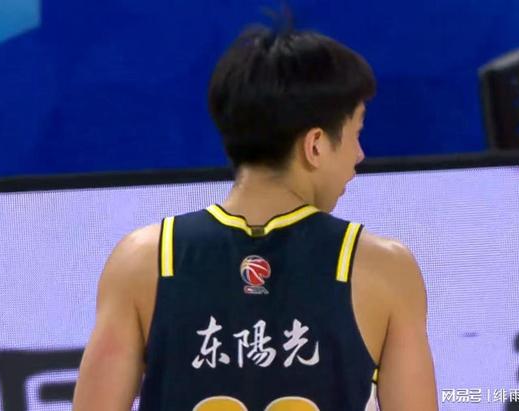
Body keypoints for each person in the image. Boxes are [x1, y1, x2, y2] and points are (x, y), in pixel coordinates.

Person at [73, 23, 438, 411]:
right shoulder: (385, 269)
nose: (359, 155)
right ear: (315, 145)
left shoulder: (143, 260)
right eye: (355, 133)